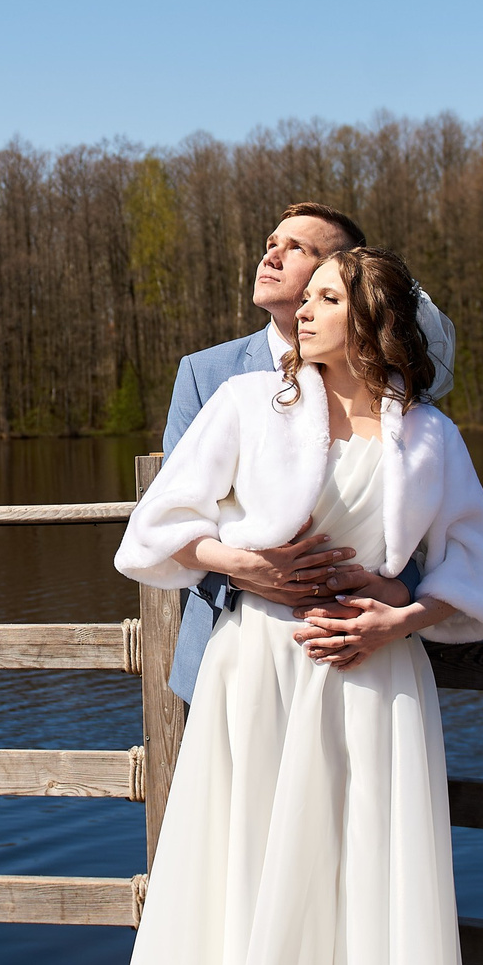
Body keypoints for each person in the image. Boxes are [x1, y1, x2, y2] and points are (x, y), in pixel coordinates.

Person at [82, 246, 483, 965]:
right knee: (246, 886)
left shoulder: (429, 438)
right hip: (260, 675)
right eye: (304, 296)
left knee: (358, 896)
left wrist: (402, 612)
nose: (302, 311)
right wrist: (242, 561)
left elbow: (475, 575)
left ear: (370, 321)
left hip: (374, 687)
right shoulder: (246, 408)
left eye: (325, 298)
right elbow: (150, 536)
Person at [157, 202, 458, 704]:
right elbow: (171, 514)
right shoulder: (207, 376)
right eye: (270, 244)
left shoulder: (405, 404)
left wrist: (396, 593)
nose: (270, 256)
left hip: (353, 654)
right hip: (229, 655)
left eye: (296, 248)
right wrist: (247, 571)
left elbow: (423, 525)